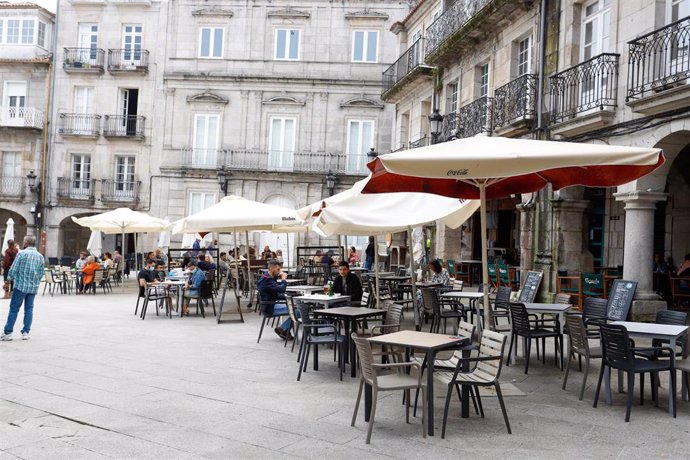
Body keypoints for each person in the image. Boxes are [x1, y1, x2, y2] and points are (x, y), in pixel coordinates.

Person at [1, 235, 44, 341]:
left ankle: (8, 333)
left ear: (25, 243)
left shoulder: (21, 254)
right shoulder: (40, 256)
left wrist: (7, 281)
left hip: (20, 286)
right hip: (33, 287)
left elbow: (13, 270)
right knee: (29, 309)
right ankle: (26, 332)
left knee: (14, 309)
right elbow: (41, 272)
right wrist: (35, 282)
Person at [256, 259, 293, 340]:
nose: (280, 271)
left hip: (270, 305)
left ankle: (284, 329)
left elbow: (276, 294)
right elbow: (281, 289)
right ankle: (283, 329)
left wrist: (290, 297)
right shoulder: (267, 280)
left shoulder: (267, 277)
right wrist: (283, 279)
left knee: (294, 307)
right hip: (270, 308)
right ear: (272, 269)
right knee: (297, 311)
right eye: (278, 269)